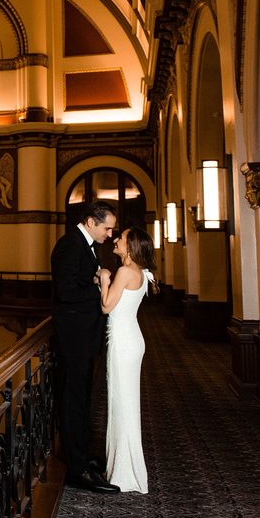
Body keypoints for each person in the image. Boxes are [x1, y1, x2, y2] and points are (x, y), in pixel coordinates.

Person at [51, 200, 119, 494]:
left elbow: (76, 280)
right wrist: (97, 290)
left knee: (82, 402)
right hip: (74, 339)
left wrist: (94, 278)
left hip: (82, 338)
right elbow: (65, 291)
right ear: (92, 222)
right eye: (107, 227)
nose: (110, 233)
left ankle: (85, 459)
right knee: (73, 403)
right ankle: (76, 470)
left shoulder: (83, 244)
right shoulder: (70, 244)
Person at [98, 227, 155, 494]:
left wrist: (105, 279)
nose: (116, 240)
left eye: (121, 239)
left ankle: (123, 472)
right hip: (132, 339)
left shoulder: (123, 272)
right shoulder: (141, 273)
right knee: (126, 403)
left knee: (121, 403)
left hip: (123, 343)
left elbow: (106, 306)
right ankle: (121, 467)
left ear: (131, 247)